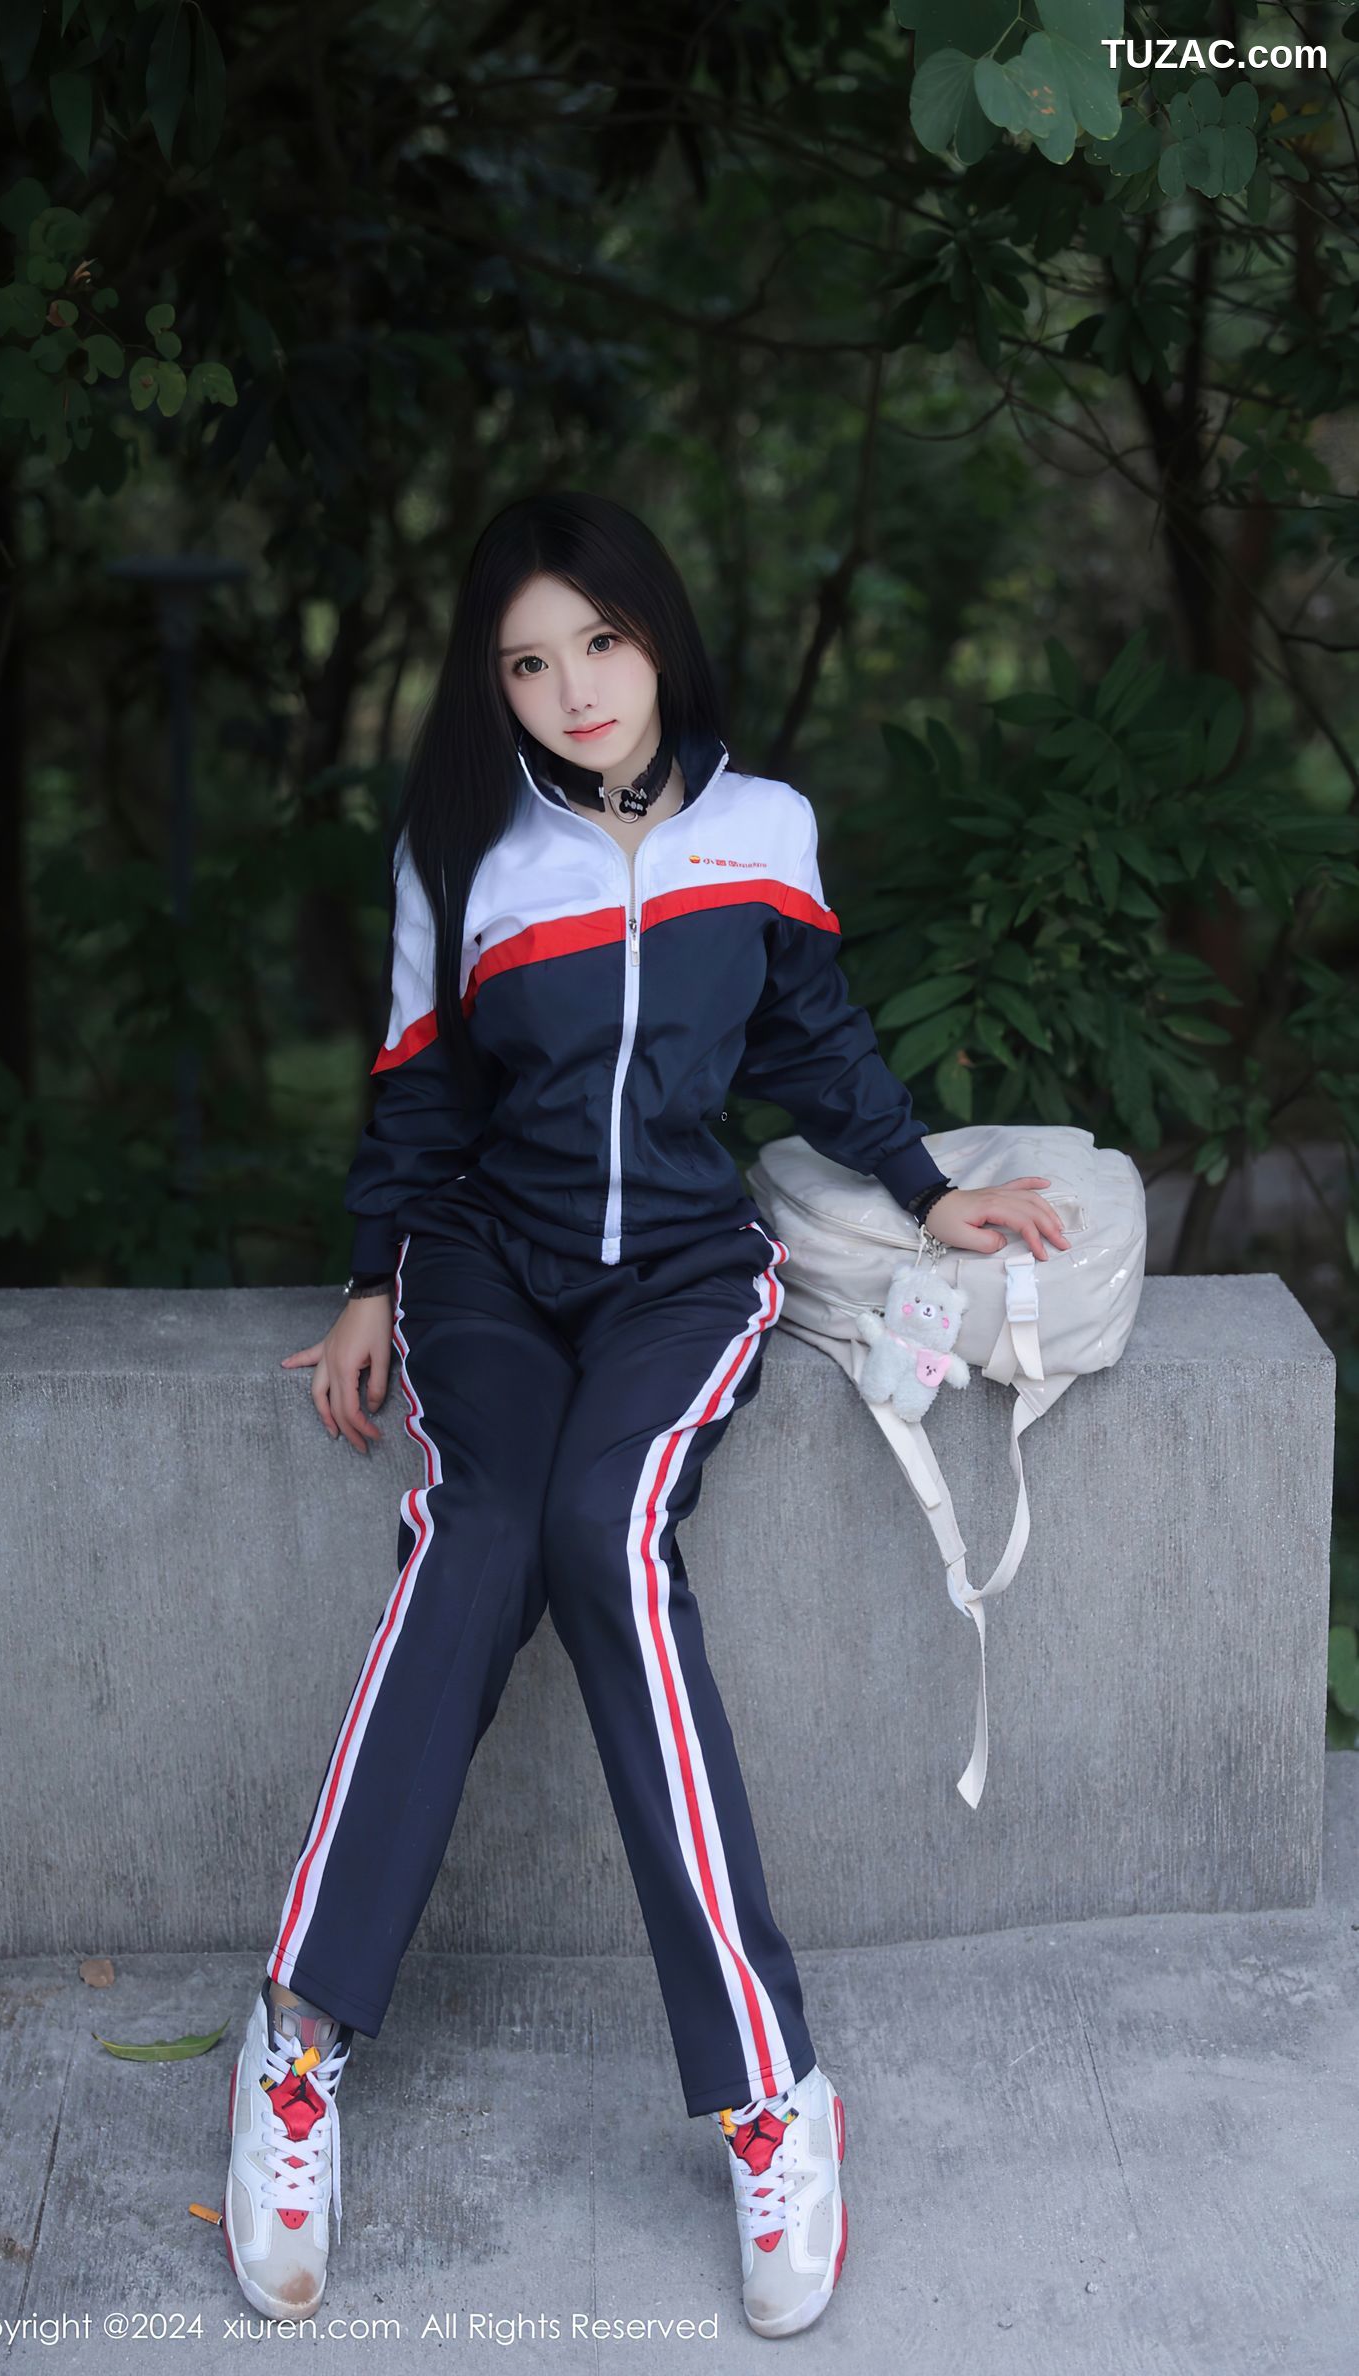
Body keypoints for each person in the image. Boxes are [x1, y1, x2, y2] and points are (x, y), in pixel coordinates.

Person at [221, 491, 1069, 2338]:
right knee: (479, 1536)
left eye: (598, 643)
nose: (572, 690)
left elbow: (813, 1037)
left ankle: (769, 2088)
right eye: (527, 663)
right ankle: (295, 2040)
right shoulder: (460, 848)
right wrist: (369, 1279)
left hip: (684, 1267)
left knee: (605, 1536)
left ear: (656, 635)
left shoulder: (763, 831)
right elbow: (415, 1085)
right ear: (494, 685)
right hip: (484, 1264)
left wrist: (928, 1189)